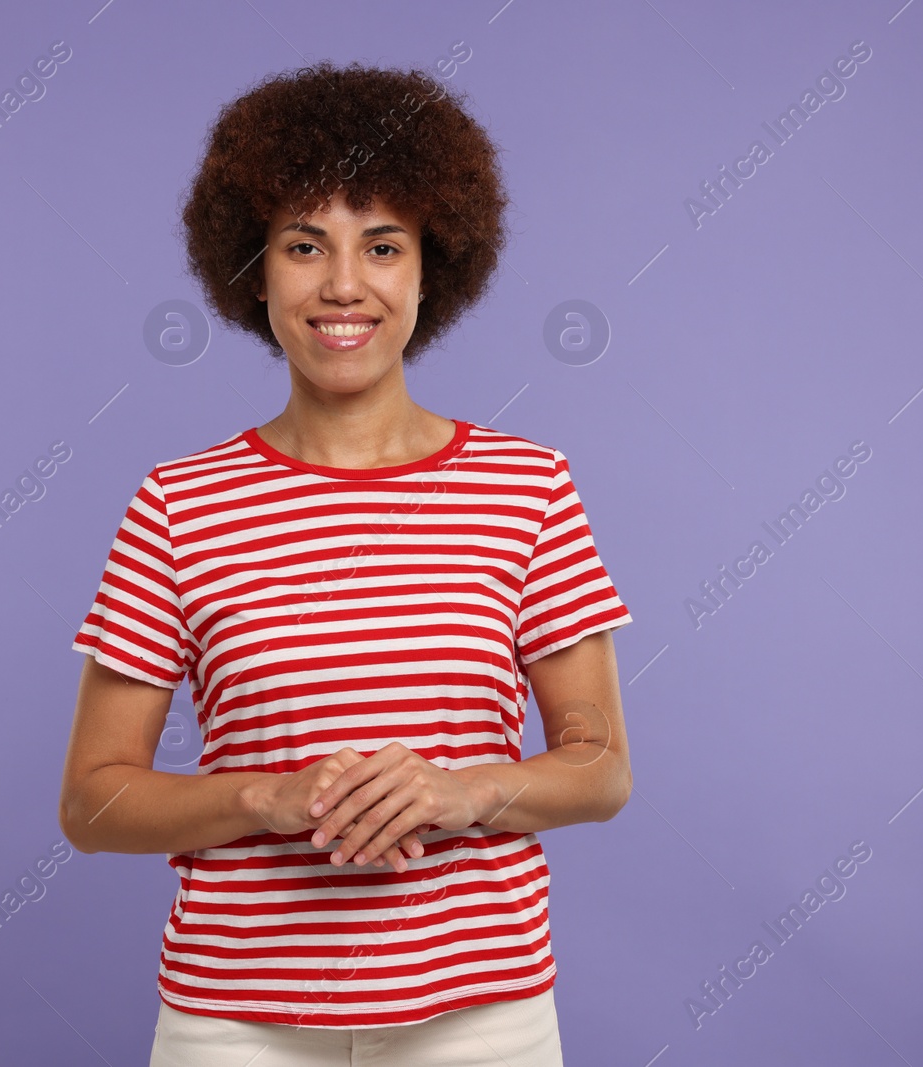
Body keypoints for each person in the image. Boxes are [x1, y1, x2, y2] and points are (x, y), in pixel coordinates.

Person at [58, 60, 633, 1067]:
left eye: (381, 245)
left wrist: (462, 790)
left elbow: (599, 766)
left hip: (481, 1019)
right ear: (254, 265)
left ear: (430, 266)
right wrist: (262, 796)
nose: (341, 284)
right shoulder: (176, 505)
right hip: (233, 1023)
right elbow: (92, 801)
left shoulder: (528, 489)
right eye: (302, 244)